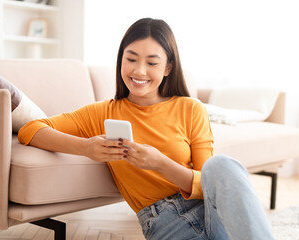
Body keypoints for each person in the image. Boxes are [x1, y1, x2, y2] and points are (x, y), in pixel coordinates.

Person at [18, 18, 274, 240]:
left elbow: (206, 184)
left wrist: (160, 162)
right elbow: (31, 130)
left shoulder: (190, 108)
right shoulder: (102, 112)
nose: (139, 71)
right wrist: (87, 148)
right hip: (165, 224)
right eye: (131, 59)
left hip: (209, 214)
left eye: (152, 63)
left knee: (222, 166)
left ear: (168, 68)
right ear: (121, 61)